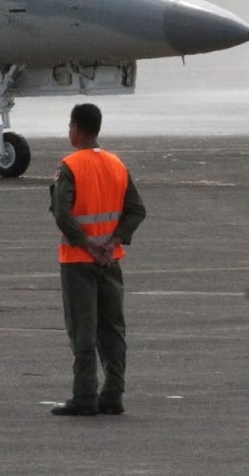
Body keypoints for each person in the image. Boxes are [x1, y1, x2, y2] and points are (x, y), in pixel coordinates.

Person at [49, 102, 146, 416]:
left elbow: (63, 214)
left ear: (76, 128)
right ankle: (113, 393)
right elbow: (136, 210)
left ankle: (85, 395)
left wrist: (87, 243)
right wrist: (113, 241)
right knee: (112, 329)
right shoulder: (117, 164)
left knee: (83, 330)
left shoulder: (70, 166)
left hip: (79, 261)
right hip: (110, 260)